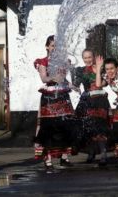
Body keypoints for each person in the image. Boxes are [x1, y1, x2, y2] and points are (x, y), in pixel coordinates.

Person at [33, 35, 76, 171]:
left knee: (65, 124)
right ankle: (48, 159)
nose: (54, 48)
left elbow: (63, 78)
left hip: (62, 95)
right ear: (47, 47)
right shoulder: (42, 61)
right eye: (52, 45)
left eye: (56, 46)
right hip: (49, 96)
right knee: (48, 127)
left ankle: (64, 157)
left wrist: (72, 85)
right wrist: (54, 77)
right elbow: (44, 78)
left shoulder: (63, 62)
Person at [73, 49, 111, 166]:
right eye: (85, 58)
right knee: (89, 128)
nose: (88, 60)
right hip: (88, 102)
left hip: (100, 101)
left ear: (93, 57)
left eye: (89, 57)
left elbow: (104, 83)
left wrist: (99, 69)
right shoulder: (81, 71)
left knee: (100, 128)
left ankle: (104, 154)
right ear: (83, 58)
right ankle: (91, 152)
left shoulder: (101, 68)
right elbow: (76, 85)